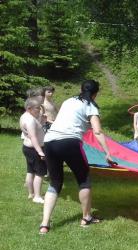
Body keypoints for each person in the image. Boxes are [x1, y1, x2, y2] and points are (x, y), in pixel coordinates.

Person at [39, 80, 114, 234]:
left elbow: (65, 121)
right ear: (95, 93)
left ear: (81, 89)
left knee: (55, 182)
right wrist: (108, 152)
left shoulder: (68, 101)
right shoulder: (90, 106)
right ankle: (86, 217)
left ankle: (44, 225)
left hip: (50, 141)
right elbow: (97, 131)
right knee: (84, 179)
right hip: (69, 142)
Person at [19, 97, 47, 204]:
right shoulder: (30, 120)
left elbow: (37, 126)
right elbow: (33, 137)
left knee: (30, 171)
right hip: (34, 149)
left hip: (28, 148)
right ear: (29, 108)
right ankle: (37, 196)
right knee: (40, 173)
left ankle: (31, 194)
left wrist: (42, 120)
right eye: (37, 108)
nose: (39, 110)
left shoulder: (26, 116)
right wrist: (40, 151)